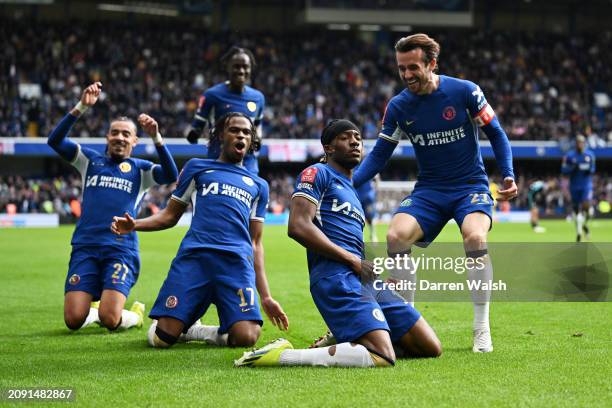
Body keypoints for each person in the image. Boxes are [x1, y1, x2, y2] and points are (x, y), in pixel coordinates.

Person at [352, 34, 518, 353]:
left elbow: (496, 133)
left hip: (470, 186)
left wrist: (508, 174)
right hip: (429, 190)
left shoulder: (465, 91)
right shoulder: (399, 106)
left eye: (413, 67)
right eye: (401, 69)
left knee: (475, 239)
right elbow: (379, 155)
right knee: (395, 236)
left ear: (432, 63)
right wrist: (347, 182)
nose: (406, 75)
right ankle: (407, 323)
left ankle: (481, 327)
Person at [235, 119, 441, 368]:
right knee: (383, 357)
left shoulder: (352, 191)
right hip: (335, 277)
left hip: (363, 280)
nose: (355, 141)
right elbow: (298, 226)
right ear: (329, 147)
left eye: (357, 137)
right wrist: (353, 260)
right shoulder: (317, 173)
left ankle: (347, 340)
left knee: (429, 347)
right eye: (345, 137)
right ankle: (283, 355)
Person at [112, 112, 288, 349]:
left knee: (246, 337)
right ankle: (180, 322)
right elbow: (169, 216)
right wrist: (136, 225)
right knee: (161, 339)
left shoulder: (259, 185)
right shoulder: (197, 167)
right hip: (195, 259)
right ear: (220, 135)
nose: (241, 135)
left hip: (235, 264)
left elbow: (256, 242)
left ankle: (200, 331)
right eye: (235, 130)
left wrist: (265, 296)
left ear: (252, 140)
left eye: (246, 132)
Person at [48, 82, 179, 331]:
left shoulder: (141, 170)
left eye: (126, 134)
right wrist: (81, 107)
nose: (120, 137)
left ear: (134, 141)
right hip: (85, 246)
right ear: (107, 137)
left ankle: (134, 316)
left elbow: (171, 173)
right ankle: (95, 303)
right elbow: (55, 141)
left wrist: (157, 138)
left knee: (110, 319)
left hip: (120, 249)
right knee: (73, 320)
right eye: (115, 132)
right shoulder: (89, 160)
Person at [186, 46, 265, 175]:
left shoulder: (258, 98)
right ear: (227, 67)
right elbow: (195, 129)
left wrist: (258, 138)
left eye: (245, 67)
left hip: (248, 167)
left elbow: (258, 126)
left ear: (251, 69)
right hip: (219, 164)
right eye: (236, 66)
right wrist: (195, 133)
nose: (241, 71)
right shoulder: (212, 95)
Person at [561, 135, 596, 241]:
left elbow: (593, 170)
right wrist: (573, 168)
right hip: (574, 186)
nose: (579, 144)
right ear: (575, 143)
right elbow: (564, 171)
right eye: (578, 142)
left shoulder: (590, 155)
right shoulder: (570, 156)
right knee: (576, 210)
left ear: (584, 143)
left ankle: (585, 224)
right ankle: (579, 232)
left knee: (587, 209)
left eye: (581, 142)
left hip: (586, 186)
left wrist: (587, 169)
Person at [355, 159, 379, 242]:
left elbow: (376, 177)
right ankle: (363, 237)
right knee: (358, 217)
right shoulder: (352, 165)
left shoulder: (367, 165)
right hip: (358, 196)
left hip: (367, 196)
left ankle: (373, 235)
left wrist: (375, 190)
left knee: (370, 217)